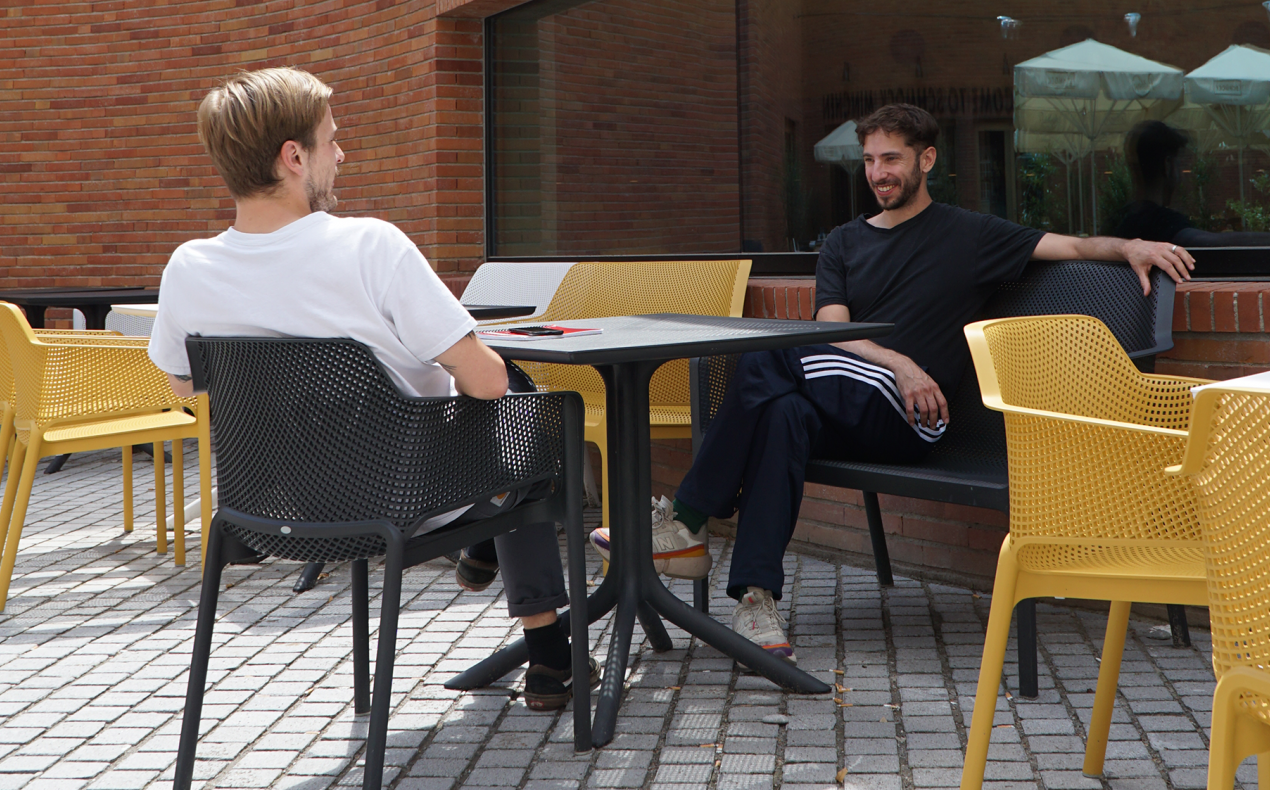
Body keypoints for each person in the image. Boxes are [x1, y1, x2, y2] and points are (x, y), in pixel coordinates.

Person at [591, 104, 1194, 662]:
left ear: (926, 160)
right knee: (781, 416)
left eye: (892, 159)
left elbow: (1075, 244)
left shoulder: (971, 235)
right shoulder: (845, 244)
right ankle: (757, 602)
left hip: (912, 417)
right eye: (871, 160)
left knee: (763, 355)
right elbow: (832, 332)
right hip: (851, 397)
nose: (879, 173)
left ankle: (690, 519)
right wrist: (895, 360)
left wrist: (1132, 244)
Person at [147, 67, 595, 711]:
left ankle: (504, 583)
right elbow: (486, 380)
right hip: (405, 498)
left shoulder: (189, 266)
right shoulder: (369, 246)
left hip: (274, 509)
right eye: (331, 140)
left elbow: (183, 382)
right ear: (293, 158)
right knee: (523, 401)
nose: (342, 153)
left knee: (502, 419)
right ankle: (545, 646)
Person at [1115, 120, 1270, 246]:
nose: (1184, 175)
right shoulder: (1159, 222)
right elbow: (1214, 244)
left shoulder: (1125, 219)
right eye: (1182, 165)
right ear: (1168, 166)